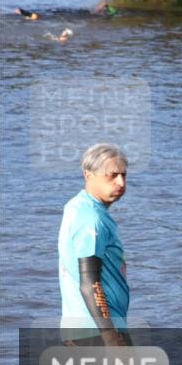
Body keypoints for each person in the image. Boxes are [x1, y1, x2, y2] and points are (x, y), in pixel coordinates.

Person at [58, 144, 130, 346]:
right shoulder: (91, 219)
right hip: (97, 333)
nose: (121, 182)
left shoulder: (77, 206)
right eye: (112, 175)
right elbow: (90, 283)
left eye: (124, 175)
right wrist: (111, 339)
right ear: (88, 176)